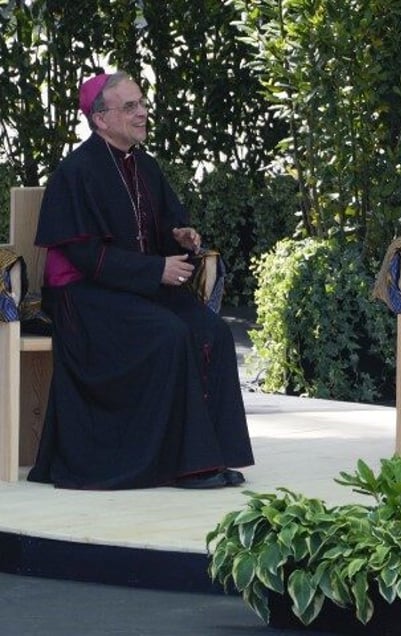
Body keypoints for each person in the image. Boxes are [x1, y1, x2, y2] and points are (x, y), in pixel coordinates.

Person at [27, 71, 254, 489]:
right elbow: (83, 254)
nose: (142, 112)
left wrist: (180, 236)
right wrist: (155, 270)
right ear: (101, 119)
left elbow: (160, 225)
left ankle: (211, 456)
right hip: (84, 296)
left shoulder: (144, 166)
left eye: (141, 103)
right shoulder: (76, 172)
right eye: (130, 106)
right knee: (168, 334)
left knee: (213, 332)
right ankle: (183, 466)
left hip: (135, 288)